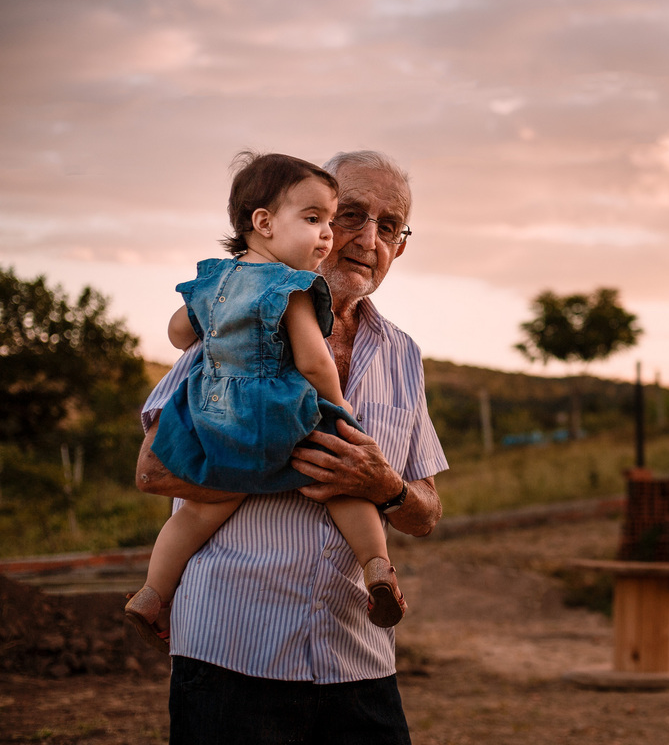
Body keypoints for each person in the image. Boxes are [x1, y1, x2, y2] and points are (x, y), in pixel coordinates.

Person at [136, 150, 447, 745]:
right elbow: (152, 471)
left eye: (389, 226)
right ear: (284, 222)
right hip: (233, 653)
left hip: (357, 660)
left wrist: (383, 487)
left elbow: (426, 512)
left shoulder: (404, 356)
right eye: (348, 214)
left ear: (400, 247)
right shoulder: (236, 323)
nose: (361, 238)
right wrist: (277, 458)